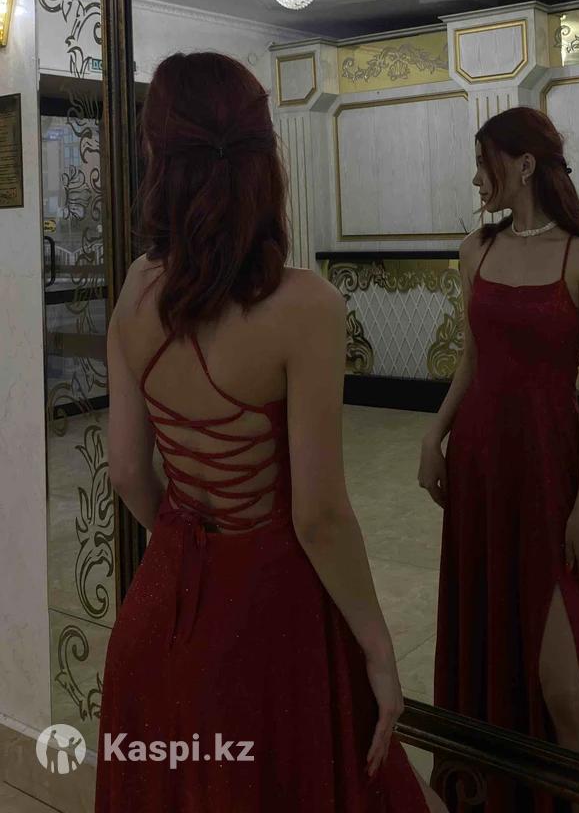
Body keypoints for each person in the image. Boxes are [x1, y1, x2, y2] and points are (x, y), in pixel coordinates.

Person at [96, 52, 443, 812]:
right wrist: (379, 648)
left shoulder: (135, 286)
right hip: (268, 615)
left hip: (159, 609)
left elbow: (125, 469)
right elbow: (319, 516)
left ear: (159, 157)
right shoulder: (305, 306)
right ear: (264, 161)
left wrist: (188, 546)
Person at [419, 107, 579, 813]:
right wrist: (434, 434)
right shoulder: (474, 250)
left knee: (564, 686)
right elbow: (473, 359)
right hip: (480, 465)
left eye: (486, 163)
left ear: (525, 165)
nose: (477, 179)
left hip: (547, 470)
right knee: (490, 630)